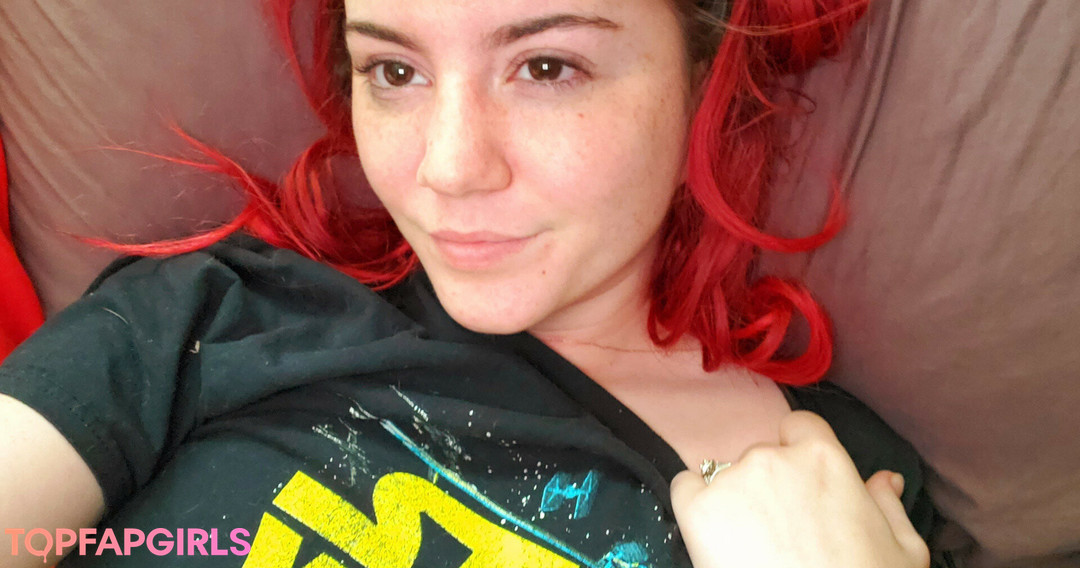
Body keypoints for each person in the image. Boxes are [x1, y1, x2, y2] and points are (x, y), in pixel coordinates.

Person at [0, 0, 934, 566]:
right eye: (394, 70)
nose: (447, 168)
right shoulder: (212, 315)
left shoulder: (845, 494)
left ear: (703, 78)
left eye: (546, 66)